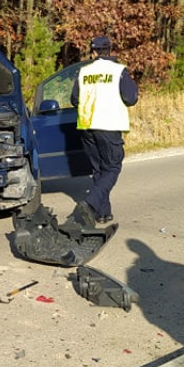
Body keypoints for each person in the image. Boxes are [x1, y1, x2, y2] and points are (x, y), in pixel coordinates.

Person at [68, 35, 138, 227]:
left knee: (99, 170)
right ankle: (91, 203)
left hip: (87, 125)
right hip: (109, 125)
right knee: (112, 168)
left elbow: (74, 99)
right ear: (110, 50)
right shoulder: (118, 71)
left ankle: (103, 213)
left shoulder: (83, 72)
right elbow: (131, 98)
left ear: (93, 52)